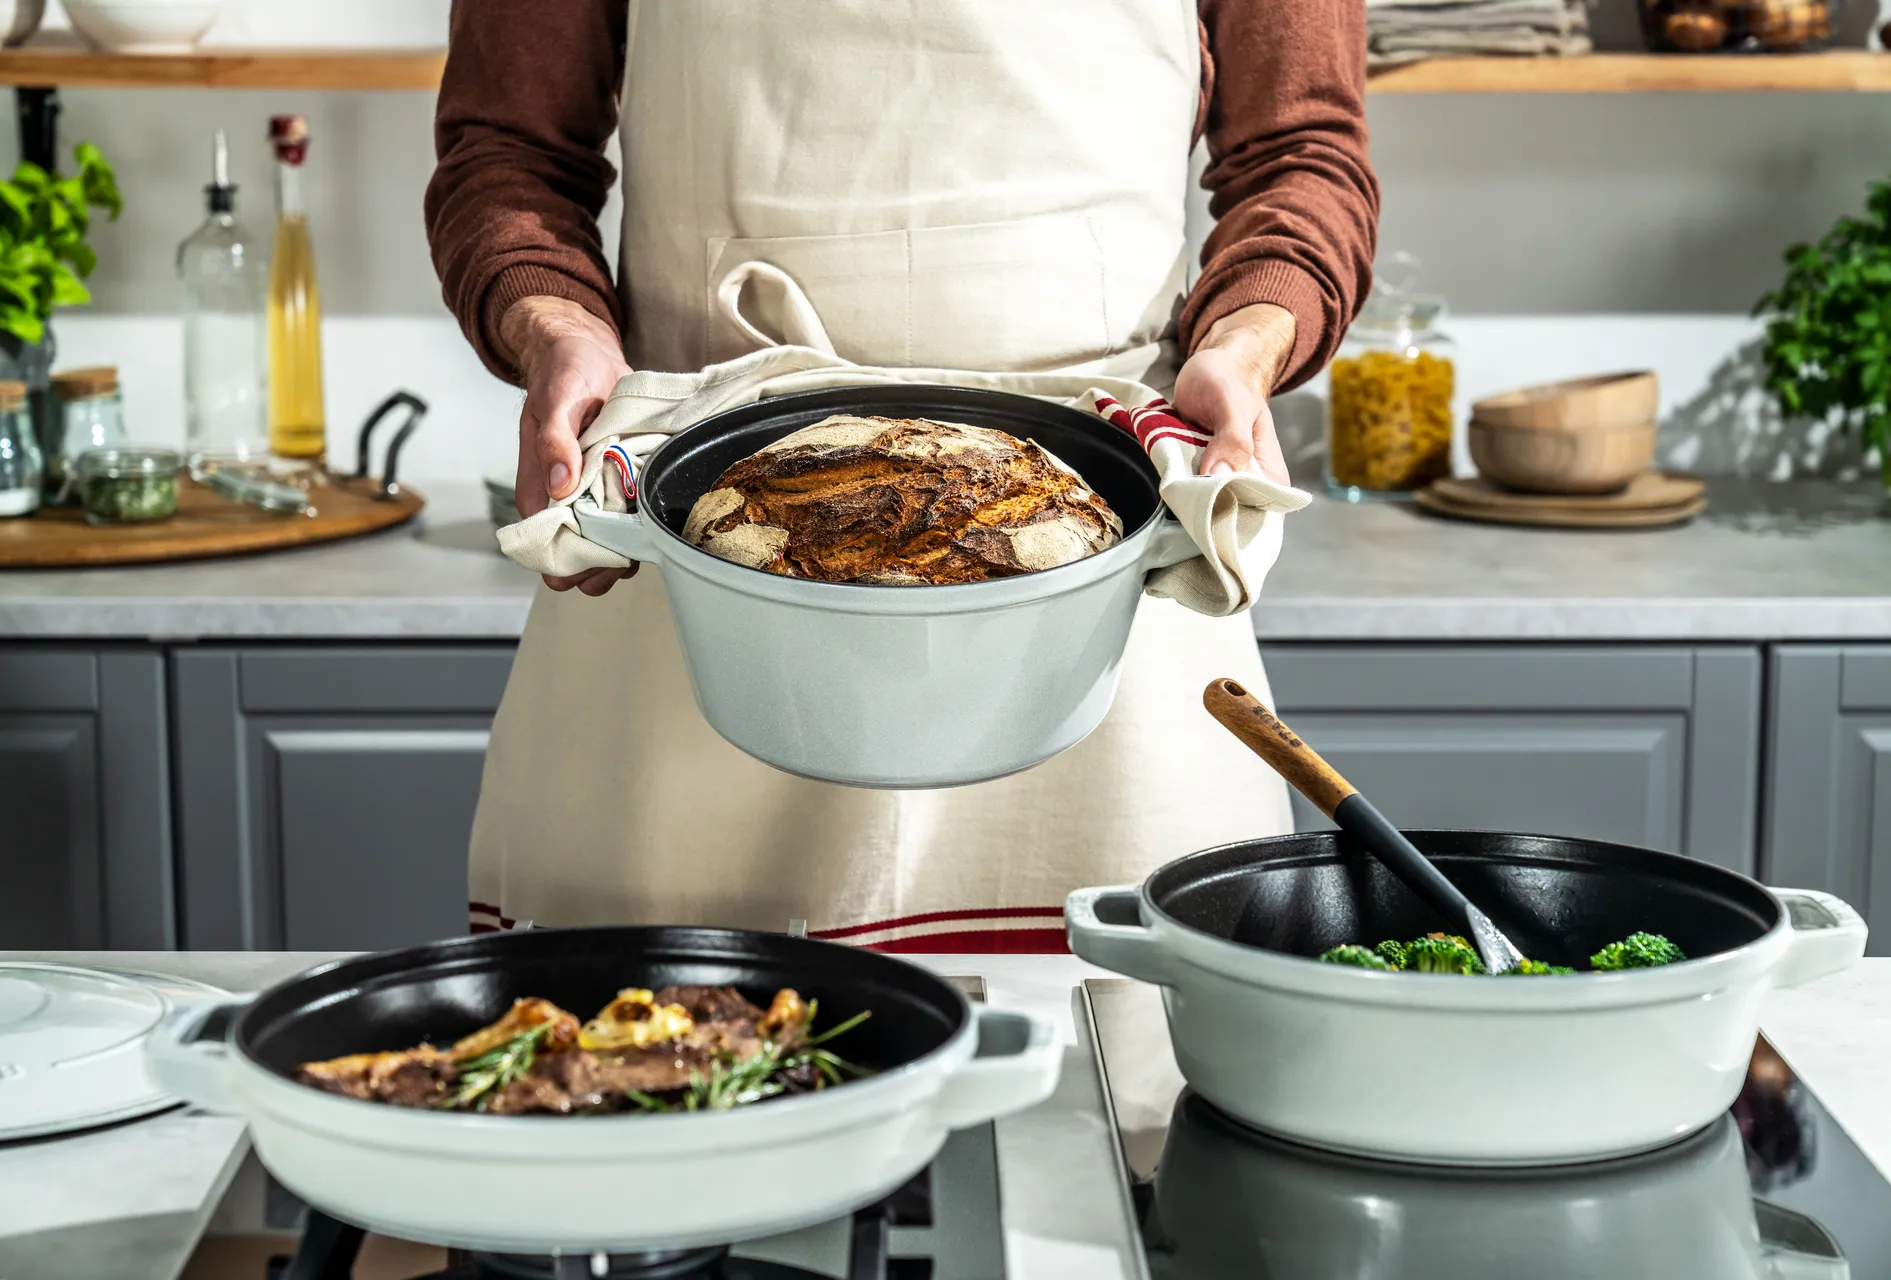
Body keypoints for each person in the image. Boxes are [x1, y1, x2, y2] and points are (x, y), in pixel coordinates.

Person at [427, 0, 1379, 949]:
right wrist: (556, 324)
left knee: (1115, 1067)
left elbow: (1302, 153)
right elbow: (510, 151)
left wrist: (1247, 340)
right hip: (694, 521)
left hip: (1103, 533)